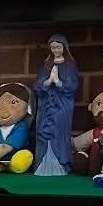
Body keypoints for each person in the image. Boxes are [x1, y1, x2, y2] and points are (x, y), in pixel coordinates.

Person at [31, 33, 81, 177]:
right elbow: (38, 84)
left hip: (61, 105)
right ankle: (42, 165)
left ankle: (60, 165)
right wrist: (48, 81)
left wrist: (58, 82)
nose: (56, 51)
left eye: (58, 47)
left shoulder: (70, 65)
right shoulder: (47, 65)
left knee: (58, 131)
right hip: (46, 105)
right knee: (43, 132)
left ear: (64, 47)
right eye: (53, 48)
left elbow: (72, 85)